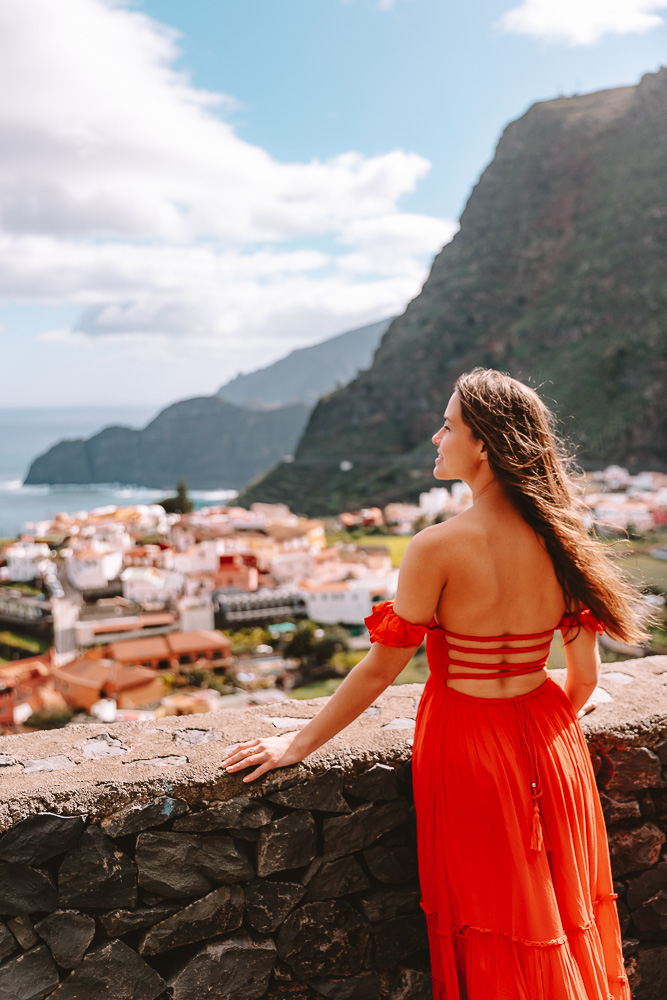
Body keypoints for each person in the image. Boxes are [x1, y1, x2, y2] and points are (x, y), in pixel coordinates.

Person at [222, 368, 645, 1000]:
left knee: (493, 919)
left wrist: (297, 745)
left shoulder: (436, 547)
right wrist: (542, 729)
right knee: (562, 913)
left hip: (468, 746)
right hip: (552, 745)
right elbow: (582, 679)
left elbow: (380, 669)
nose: (435, 437)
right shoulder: (564, 541)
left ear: (483, 445)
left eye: (448, 425)